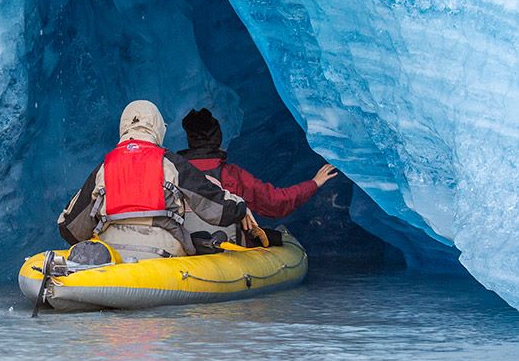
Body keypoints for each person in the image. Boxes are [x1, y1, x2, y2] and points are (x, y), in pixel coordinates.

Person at [57, 100, 247, 260]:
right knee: (202, 237)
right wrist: (240, 207)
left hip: (113, 254)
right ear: (158, 127)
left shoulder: (105, 167)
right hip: (164, 251)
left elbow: (69, 228)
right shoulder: (171, 163)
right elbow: (219, 210)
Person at [178, 108, 338, 245]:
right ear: (218, 139)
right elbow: (275, 202)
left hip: (187, 246)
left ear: (189, 140)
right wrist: (314, 183)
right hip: (230, 246)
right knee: (275, 237)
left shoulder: (173, 171)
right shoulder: (232, 175)